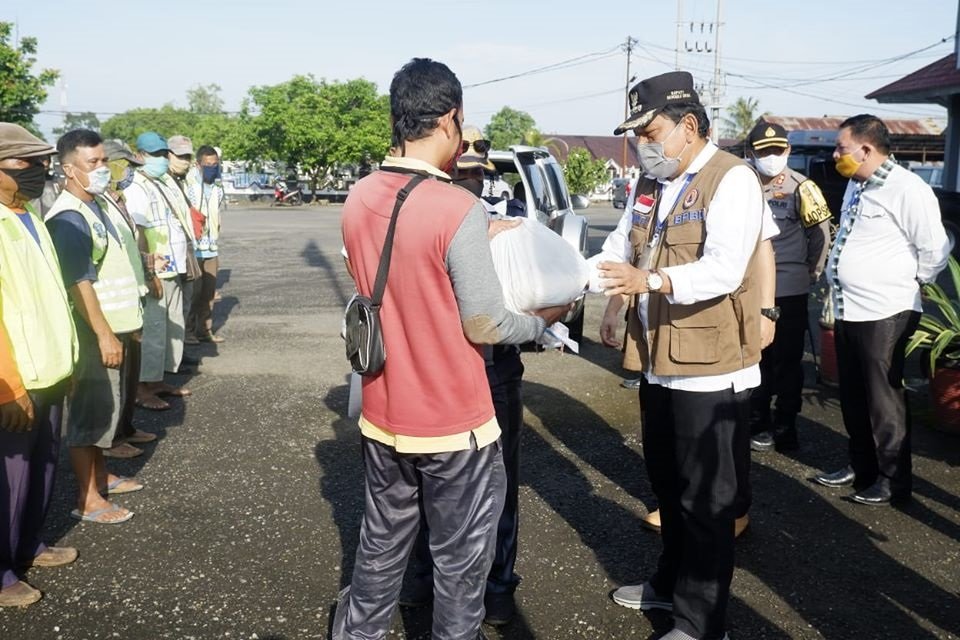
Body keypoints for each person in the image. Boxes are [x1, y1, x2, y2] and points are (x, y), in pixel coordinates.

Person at [332, 58, 568, 640]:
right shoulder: (458, 206)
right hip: (452, 423)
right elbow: (485, 321)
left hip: (384, 412)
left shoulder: (359, 196)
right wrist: (540, 326)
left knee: (380, 546)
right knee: (461, 569)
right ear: (451, 119)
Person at [590, 71, 775, 640]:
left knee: (706, 501)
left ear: (688, 127)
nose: (643, 143)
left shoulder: (732, 179)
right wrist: (597, 287)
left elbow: (723, 268)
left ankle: (700, 621)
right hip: (658, 363)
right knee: (668, 486)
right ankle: (668, 586)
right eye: (639, 134)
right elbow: (618, 245)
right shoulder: (651, 182)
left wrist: (648, 282)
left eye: (651, 131)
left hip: (709, 369)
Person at [399, 124, 527, 626]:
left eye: (480, 160)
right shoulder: (415, 209)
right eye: (463, 157)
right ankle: (425, 578)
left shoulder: (511, 219)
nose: (471, 166)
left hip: (494, 371)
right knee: (426, 484)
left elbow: (523, 291)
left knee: (499, 488)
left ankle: (496, 587)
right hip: (432, 372)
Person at [814, 114, 950, 506]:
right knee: (853, 395)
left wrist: (905, 284)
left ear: (866, 149)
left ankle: (893, 481)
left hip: (885, 314)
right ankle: (862, 467)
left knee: (883, 400)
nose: (836, 154)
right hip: (849, 310)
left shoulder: (907, 189)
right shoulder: (858, 185)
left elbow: (935, 250)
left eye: (841, 148)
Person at [46, 129, 145, 525]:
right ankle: (88, 500)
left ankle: (101, 477)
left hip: (111, 329)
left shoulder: (95, 205)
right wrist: (104, 333)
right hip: (90, 336)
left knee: (106, 411)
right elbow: (78, 282)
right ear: (70, 170)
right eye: (94, 163)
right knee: (89, 418)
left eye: (105, 160)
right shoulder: (70, 217)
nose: (103, 169)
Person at [0, 123, 79, 607]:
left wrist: (66, 361)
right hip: (16, 379)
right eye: (27, 163)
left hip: (49, 369)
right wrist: (7, 387)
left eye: (42, 162)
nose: (39, 171)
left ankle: (29, 545)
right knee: (9, 481)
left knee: (42, 469)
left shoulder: (28, 214)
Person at [745, 122, 832, 452]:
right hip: (749, 289)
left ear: (788, 151)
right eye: (764, 152)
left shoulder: (802, 188)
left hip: (789, 287)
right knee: (755, 357)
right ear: (751, 153)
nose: (771, 157)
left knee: (788, 360)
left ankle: (785, 423)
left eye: (777, 151)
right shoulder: (740, 183)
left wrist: (812, 270)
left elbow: (821, 235)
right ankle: (757, 420)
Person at [123, 132, 192, 411]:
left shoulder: (159, 182)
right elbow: (137, 233)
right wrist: (148, 272)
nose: (162, 159)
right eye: (155, 154)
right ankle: (141, 388)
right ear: (139, 155)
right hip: (156, 271)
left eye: (164, 154)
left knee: (168, 326)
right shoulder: (136, 188)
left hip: (172, 266)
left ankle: (157, 380)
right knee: (152, 329)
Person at [100, 139, 158, 458]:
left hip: (130, 303)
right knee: (111, 379)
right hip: (112, 308)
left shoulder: (119, 200)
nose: (128, 174)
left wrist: (148, 265)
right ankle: (111, 440)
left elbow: (129, 249)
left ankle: (125, 427)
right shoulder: (99, 204)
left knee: (128, 374)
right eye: (124, 167)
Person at [184, 145, 226, 344]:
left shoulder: (218, 189)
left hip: (211, 247)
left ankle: (204, 330)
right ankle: (189, 331)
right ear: (198, 165)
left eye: (214, 164)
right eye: (207, 164)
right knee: (194, 291)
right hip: (194, 247)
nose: (211, 168)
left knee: (208, 292)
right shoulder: (189, 186)